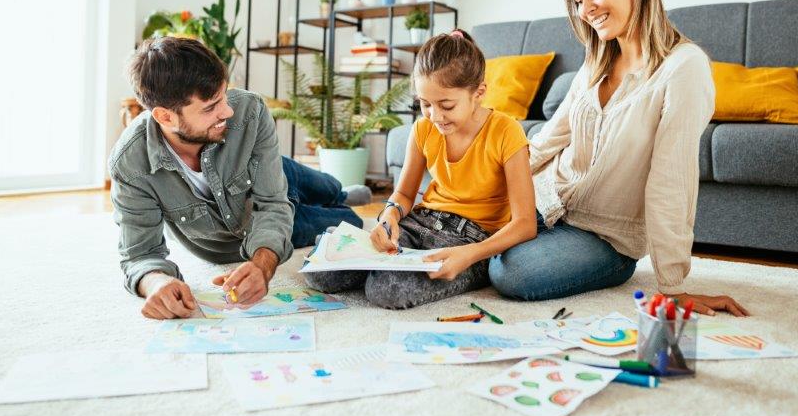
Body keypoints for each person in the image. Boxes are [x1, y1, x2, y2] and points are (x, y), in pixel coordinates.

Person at [488, 0, 748, 316]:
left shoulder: (683, 68)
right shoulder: (595, 63)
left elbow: (671, 179)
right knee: (450, 223)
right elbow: (547, 141)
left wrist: (673, 286)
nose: (585, 9)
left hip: (604, 237)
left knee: (514, 272)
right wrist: (488, 181)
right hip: (545, 200)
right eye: (578, 0)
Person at [109, 36, 370, 319]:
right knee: (352, 222)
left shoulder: (248, 112)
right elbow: (139, 254)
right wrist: (157, 282)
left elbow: (272, 201)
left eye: (224, 95)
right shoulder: (130, 164)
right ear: (165, 117)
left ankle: (341, 191)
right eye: (210, 107)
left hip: (271, 177)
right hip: (250, 229)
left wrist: (263, 267)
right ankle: (343, 200)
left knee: (327, 185)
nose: (228, 111)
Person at [304, 30, 538, 309]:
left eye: (446, 105)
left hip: (470, 241)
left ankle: (375, 267)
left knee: (386, 290)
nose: (435, 116)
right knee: (320, 272)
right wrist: (389, 215)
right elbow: (403, 193)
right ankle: (363, 257)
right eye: (425, 104)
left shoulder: (506, 131)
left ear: (479, 93)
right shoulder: (423, 129)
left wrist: (470, 254)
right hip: (421, 222)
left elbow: (525, 224)